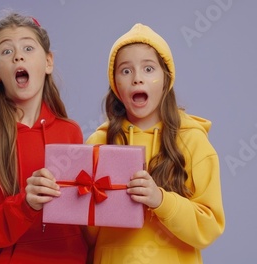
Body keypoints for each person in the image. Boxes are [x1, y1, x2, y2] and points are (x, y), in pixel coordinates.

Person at [0, 12, 88, 264]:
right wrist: (25, 206)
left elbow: (81, 216)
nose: (18, 55)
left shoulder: (70, 131)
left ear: (48, 62)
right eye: (7, 51)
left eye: (28, 47)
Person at [85, 23, 225, 263]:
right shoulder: (98, 143)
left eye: (148, 69)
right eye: (126, 71)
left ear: (165, 80)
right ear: (115, 83)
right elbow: (86, 235)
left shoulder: (192, 140)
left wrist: (160, 200)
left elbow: (208, 227)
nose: (137, 79)